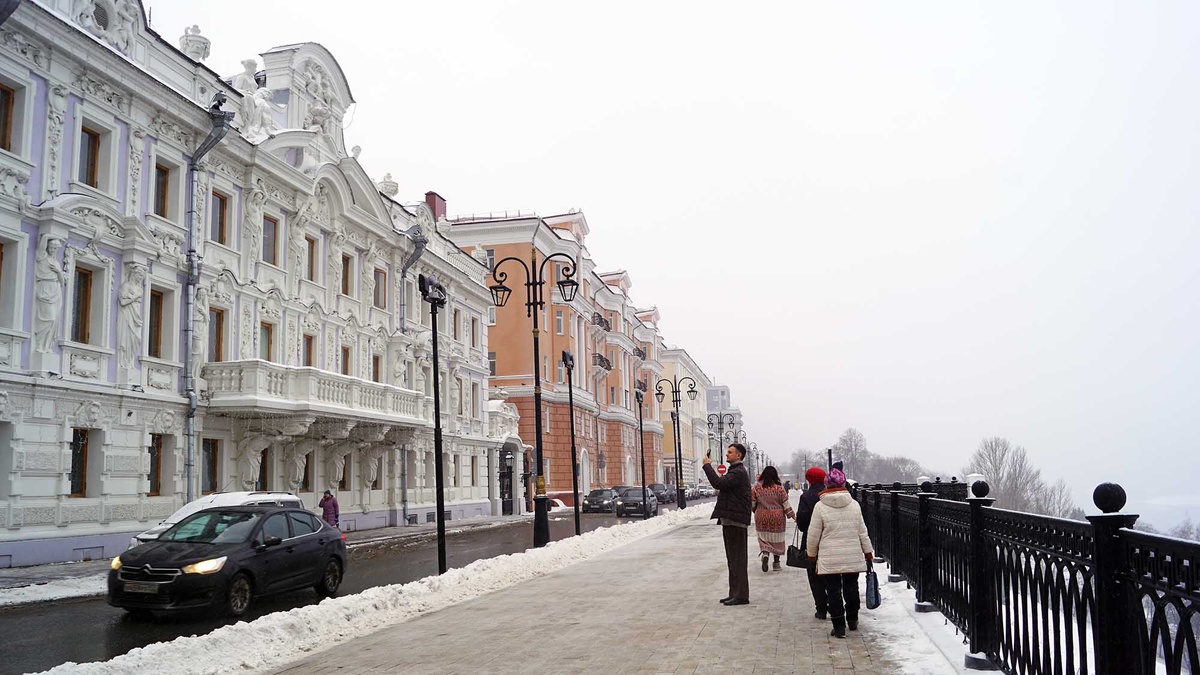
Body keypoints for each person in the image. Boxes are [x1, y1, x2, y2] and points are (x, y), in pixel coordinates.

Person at [806, 466, 874, 638]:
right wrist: (868, 552)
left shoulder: (820, 506)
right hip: (852, 555)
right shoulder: (854, 505)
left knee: (833, 591)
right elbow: (862, 532)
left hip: (829, 558)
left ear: (826, 485)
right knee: (851, 587)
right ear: (844, 484)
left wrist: (812, 554)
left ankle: (838, 626)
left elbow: (813, 535)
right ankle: (852, 619)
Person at [702, 444, 753, 606]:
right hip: (731, 520)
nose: (727, 454)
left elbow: (717, 483)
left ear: (739, 456)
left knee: (738, 559)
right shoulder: (735, 471)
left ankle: (741, 595)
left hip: (736, 521)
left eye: (730, 452)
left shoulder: (738, 472)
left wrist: (707, 465)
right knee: (733, 559)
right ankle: (734, 593)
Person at [796, 467, 828, 619]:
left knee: (814, 574)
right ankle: (834, 603)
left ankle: (821, 608)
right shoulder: (829, 494)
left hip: (811, 539)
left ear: (809, 480)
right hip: (829, 539)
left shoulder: (806, 496)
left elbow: (801, 523)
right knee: (830, 574)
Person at [751, 465, 794, 572]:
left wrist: (756, 511)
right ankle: (776, 563)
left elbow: (752, 503)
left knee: (764, 538)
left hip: (761, 516)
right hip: (777, 517)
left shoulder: (756, 487)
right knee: (777, 540)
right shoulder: (779, 488)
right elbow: (785, 503)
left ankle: (765, 554)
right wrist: (792, 515)